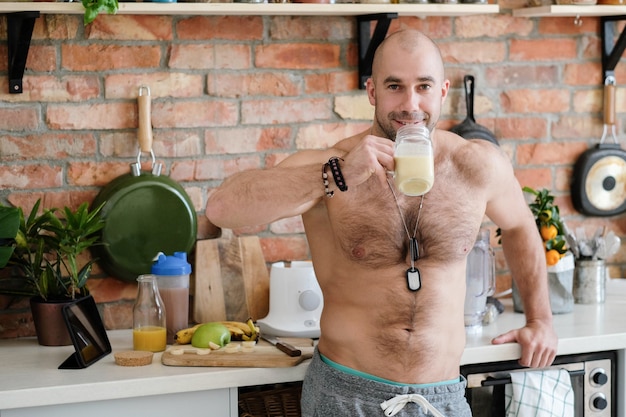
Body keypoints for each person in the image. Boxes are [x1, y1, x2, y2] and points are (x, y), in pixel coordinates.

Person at [206, 29, 557, 417]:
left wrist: (540, 319)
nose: (410, 104)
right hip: (344, 396)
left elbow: (521, 226)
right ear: (372, 92)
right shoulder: (333, 165)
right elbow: (222, 209)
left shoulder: (474, 165)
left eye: (423, 86)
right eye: (395, 86)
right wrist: (337, 174)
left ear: (442, 92)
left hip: (442, 399)